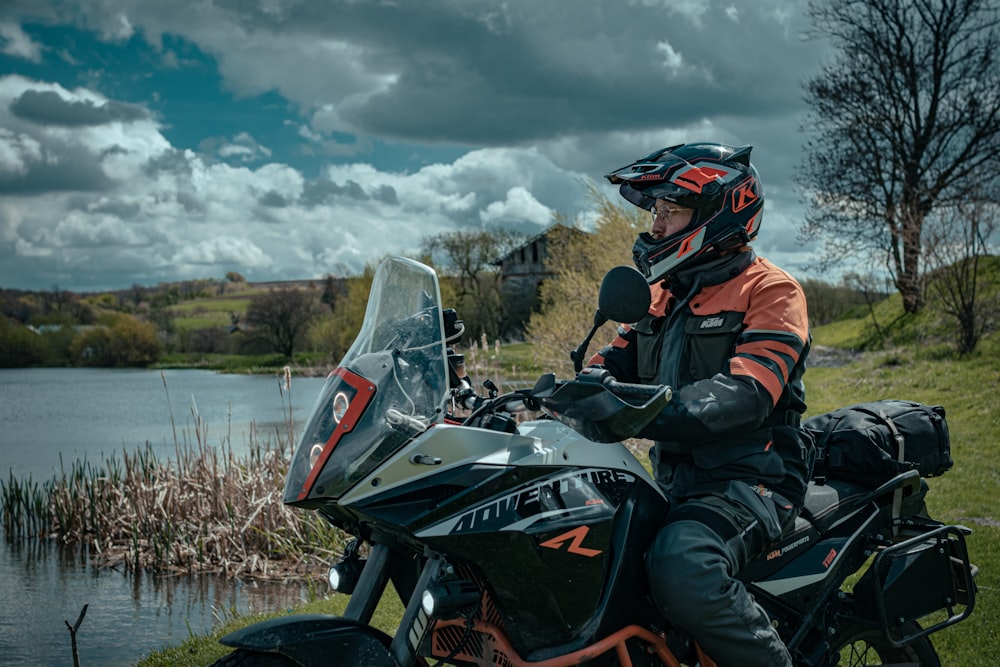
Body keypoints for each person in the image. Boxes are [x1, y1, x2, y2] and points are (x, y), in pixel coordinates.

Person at [593, 142, 814, 667]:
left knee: (683, 567)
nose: (658, 225)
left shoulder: (773, 291)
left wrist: (636, 410)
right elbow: (608, 364)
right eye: (656, 212)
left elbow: (748, 393)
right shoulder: (658, 295)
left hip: (752, 478)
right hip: (668, 480)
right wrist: (572, 390)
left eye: (671, 212)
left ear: (719, 213)